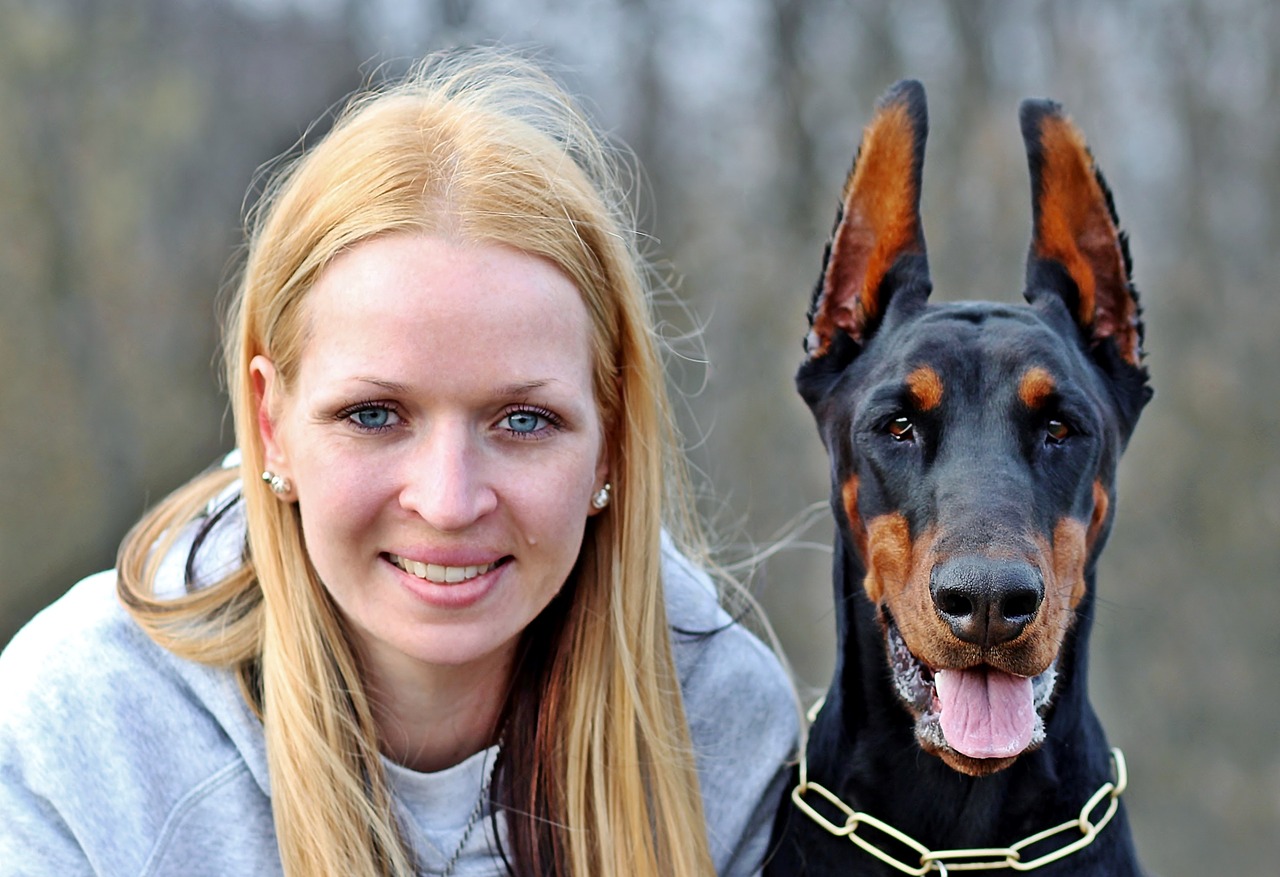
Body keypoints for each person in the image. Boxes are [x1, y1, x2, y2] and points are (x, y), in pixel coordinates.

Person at [0, 48, 797, 876]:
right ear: (272, 424)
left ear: (612, 440)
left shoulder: (716, 723)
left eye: (524, 419)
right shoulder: (78, 731)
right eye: (373, 415)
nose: (448, 502)